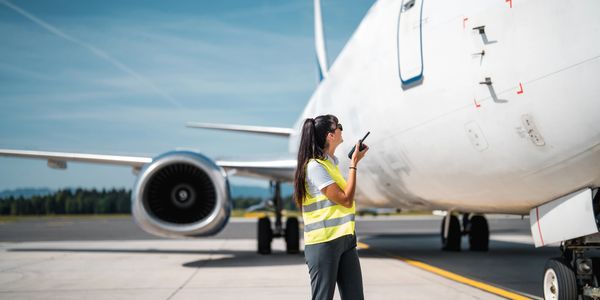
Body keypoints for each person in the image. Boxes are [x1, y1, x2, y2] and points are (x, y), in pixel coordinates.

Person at [294, 114, 369, 300]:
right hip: (324, 243)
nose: (342, 129)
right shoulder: (314, 167)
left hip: (346, 240)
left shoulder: (331, 165)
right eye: (339, 126)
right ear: (330, 135)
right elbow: (345, 200)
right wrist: (354, 165)